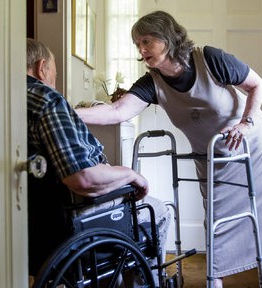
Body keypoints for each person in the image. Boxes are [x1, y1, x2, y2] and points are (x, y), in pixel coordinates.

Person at [75, 11, 262, 287]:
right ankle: (214, 280)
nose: (142, 49)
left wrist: (245, 124)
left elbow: (257, 85)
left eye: (147, 41)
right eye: (137, 44)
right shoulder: (153, 83)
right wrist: (66, 112)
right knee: (215, 218)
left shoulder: (210, 59)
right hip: (211, 154)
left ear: (167, 38)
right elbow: (117, 112)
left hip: (250, 141)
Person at [25, 38, 169, 284]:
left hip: (31, 219)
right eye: (54, 74)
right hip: (68, 214)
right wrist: (130, 174)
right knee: (158, 210)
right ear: (41, 68)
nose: (54, 82)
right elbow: (83, 178)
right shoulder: (46, 99)